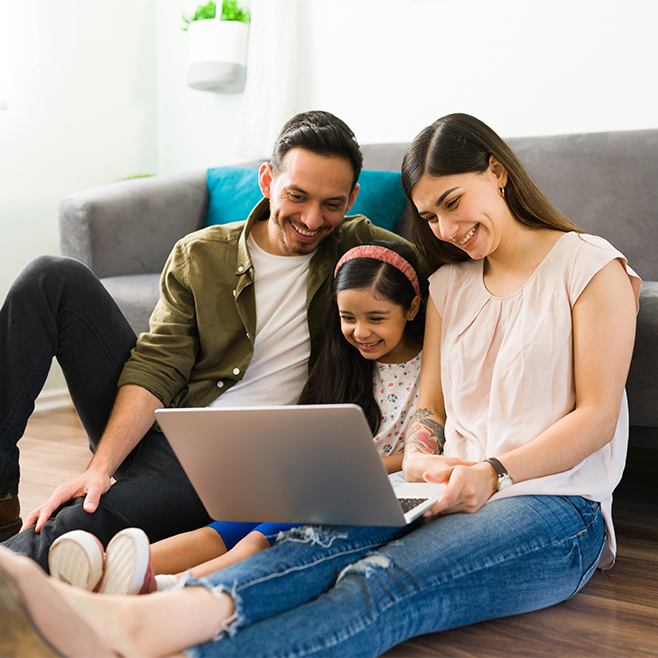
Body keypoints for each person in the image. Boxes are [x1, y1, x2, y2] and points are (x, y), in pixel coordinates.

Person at [0, 112, 641, 658]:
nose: (444, 231)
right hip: (425, 482)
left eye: (452, 204)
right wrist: (421, 453)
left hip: (549, 500)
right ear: (269, 181)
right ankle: (141, 614)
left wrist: (492, 471)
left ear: (497, 172)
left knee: (375, 578)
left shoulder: (588, 267)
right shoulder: (447, 283)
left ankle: (156, 635)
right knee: (306, 540)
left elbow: (596, 419)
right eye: (430, 217)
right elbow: (434, 407)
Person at [0, 110, 406, 570]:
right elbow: (158, 366)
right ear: (267, 180)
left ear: (352, 197)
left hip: (230, 467)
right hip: (164, 422)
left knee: (75, 525)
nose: (313, 219)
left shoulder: (363, 250)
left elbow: (447, 277)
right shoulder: (200, 254)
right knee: (52, 278)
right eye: (297, 196)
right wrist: (100, 467)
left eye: (333, 204)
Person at [46, 240, 427, 594]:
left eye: (376, 318)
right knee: (220, 530)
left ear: (411, 309)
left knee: (258, 539)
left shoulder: (429, 371)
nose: (360, 332)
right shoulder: (343, 363)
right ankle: (104, 569)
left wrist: (355, 469)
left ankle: (168, 587)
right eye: (348, 318)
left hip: (383, 492)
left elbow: (423, 453)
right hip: (321, 482)